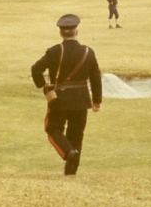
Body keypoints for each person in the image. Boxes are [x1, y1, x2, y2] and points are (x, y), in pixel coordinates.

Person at [31, 14, 102, 175]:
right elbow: (96, 77)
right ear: (76, 32)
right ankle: (71, 172)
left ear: (61, 33)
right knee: (76, 135)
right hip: (82, 100)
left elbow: (36, 69)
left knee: (52, 129)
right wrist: (97, 100)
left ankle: (69, 153)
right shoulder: (88, 52)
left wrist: (44, 86)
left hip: (60, 100)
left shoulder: (55, 51)